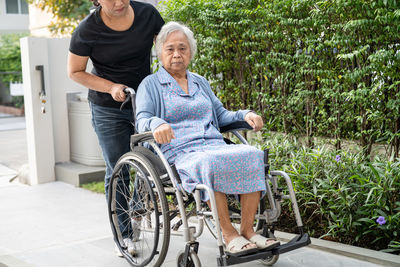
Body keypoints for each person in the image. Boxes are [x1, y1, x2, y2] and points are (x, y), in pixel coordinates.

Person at [135, 21, 280, 256]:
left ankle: (248, 230)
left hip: (212, 144)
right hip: (180, 151)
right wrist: (156, 123)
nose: (177, 54)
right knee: (209, 164)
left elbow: (221, 115)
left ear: (190, 52)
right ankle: (229, 234)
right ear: (160, 52)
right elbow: (142, 117)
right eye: (170, 49)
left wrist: (246, 115)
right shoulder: (150, 85)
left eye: (182, 48)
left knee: (253, 155)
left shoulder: (200, 81)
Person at [67, 0, 164, 256]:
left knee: (151, 161)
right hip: (108, 107)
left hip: (145, 102)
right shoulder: (88, 30)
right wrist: (111, 87)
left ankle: (135, 211)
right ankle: (123, 234)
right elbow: (75, 71)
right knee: (119, 168)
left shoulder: (147, 14)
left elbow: (166, 47)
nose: (119, 2)